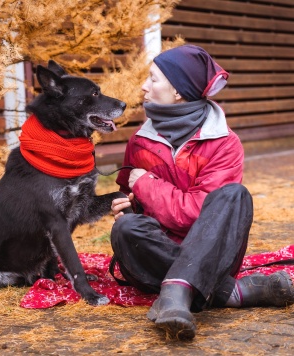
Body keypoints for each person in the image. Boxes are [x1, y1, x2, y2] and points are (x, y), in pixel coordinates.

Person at [109, 44, 294, 340]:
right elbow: (127, 195)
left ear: (179, 91)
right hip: (158, 250)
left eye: (153, 79)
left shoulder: (224, 144)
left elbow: (196, 214)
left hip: (214, 251)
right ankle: (230, 292)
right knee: (126, 229)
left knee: (234, 195)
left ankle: (176, 293)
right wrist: (126, 206)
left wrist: (145, 185)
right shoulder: (139, 141)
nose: (144, 87)